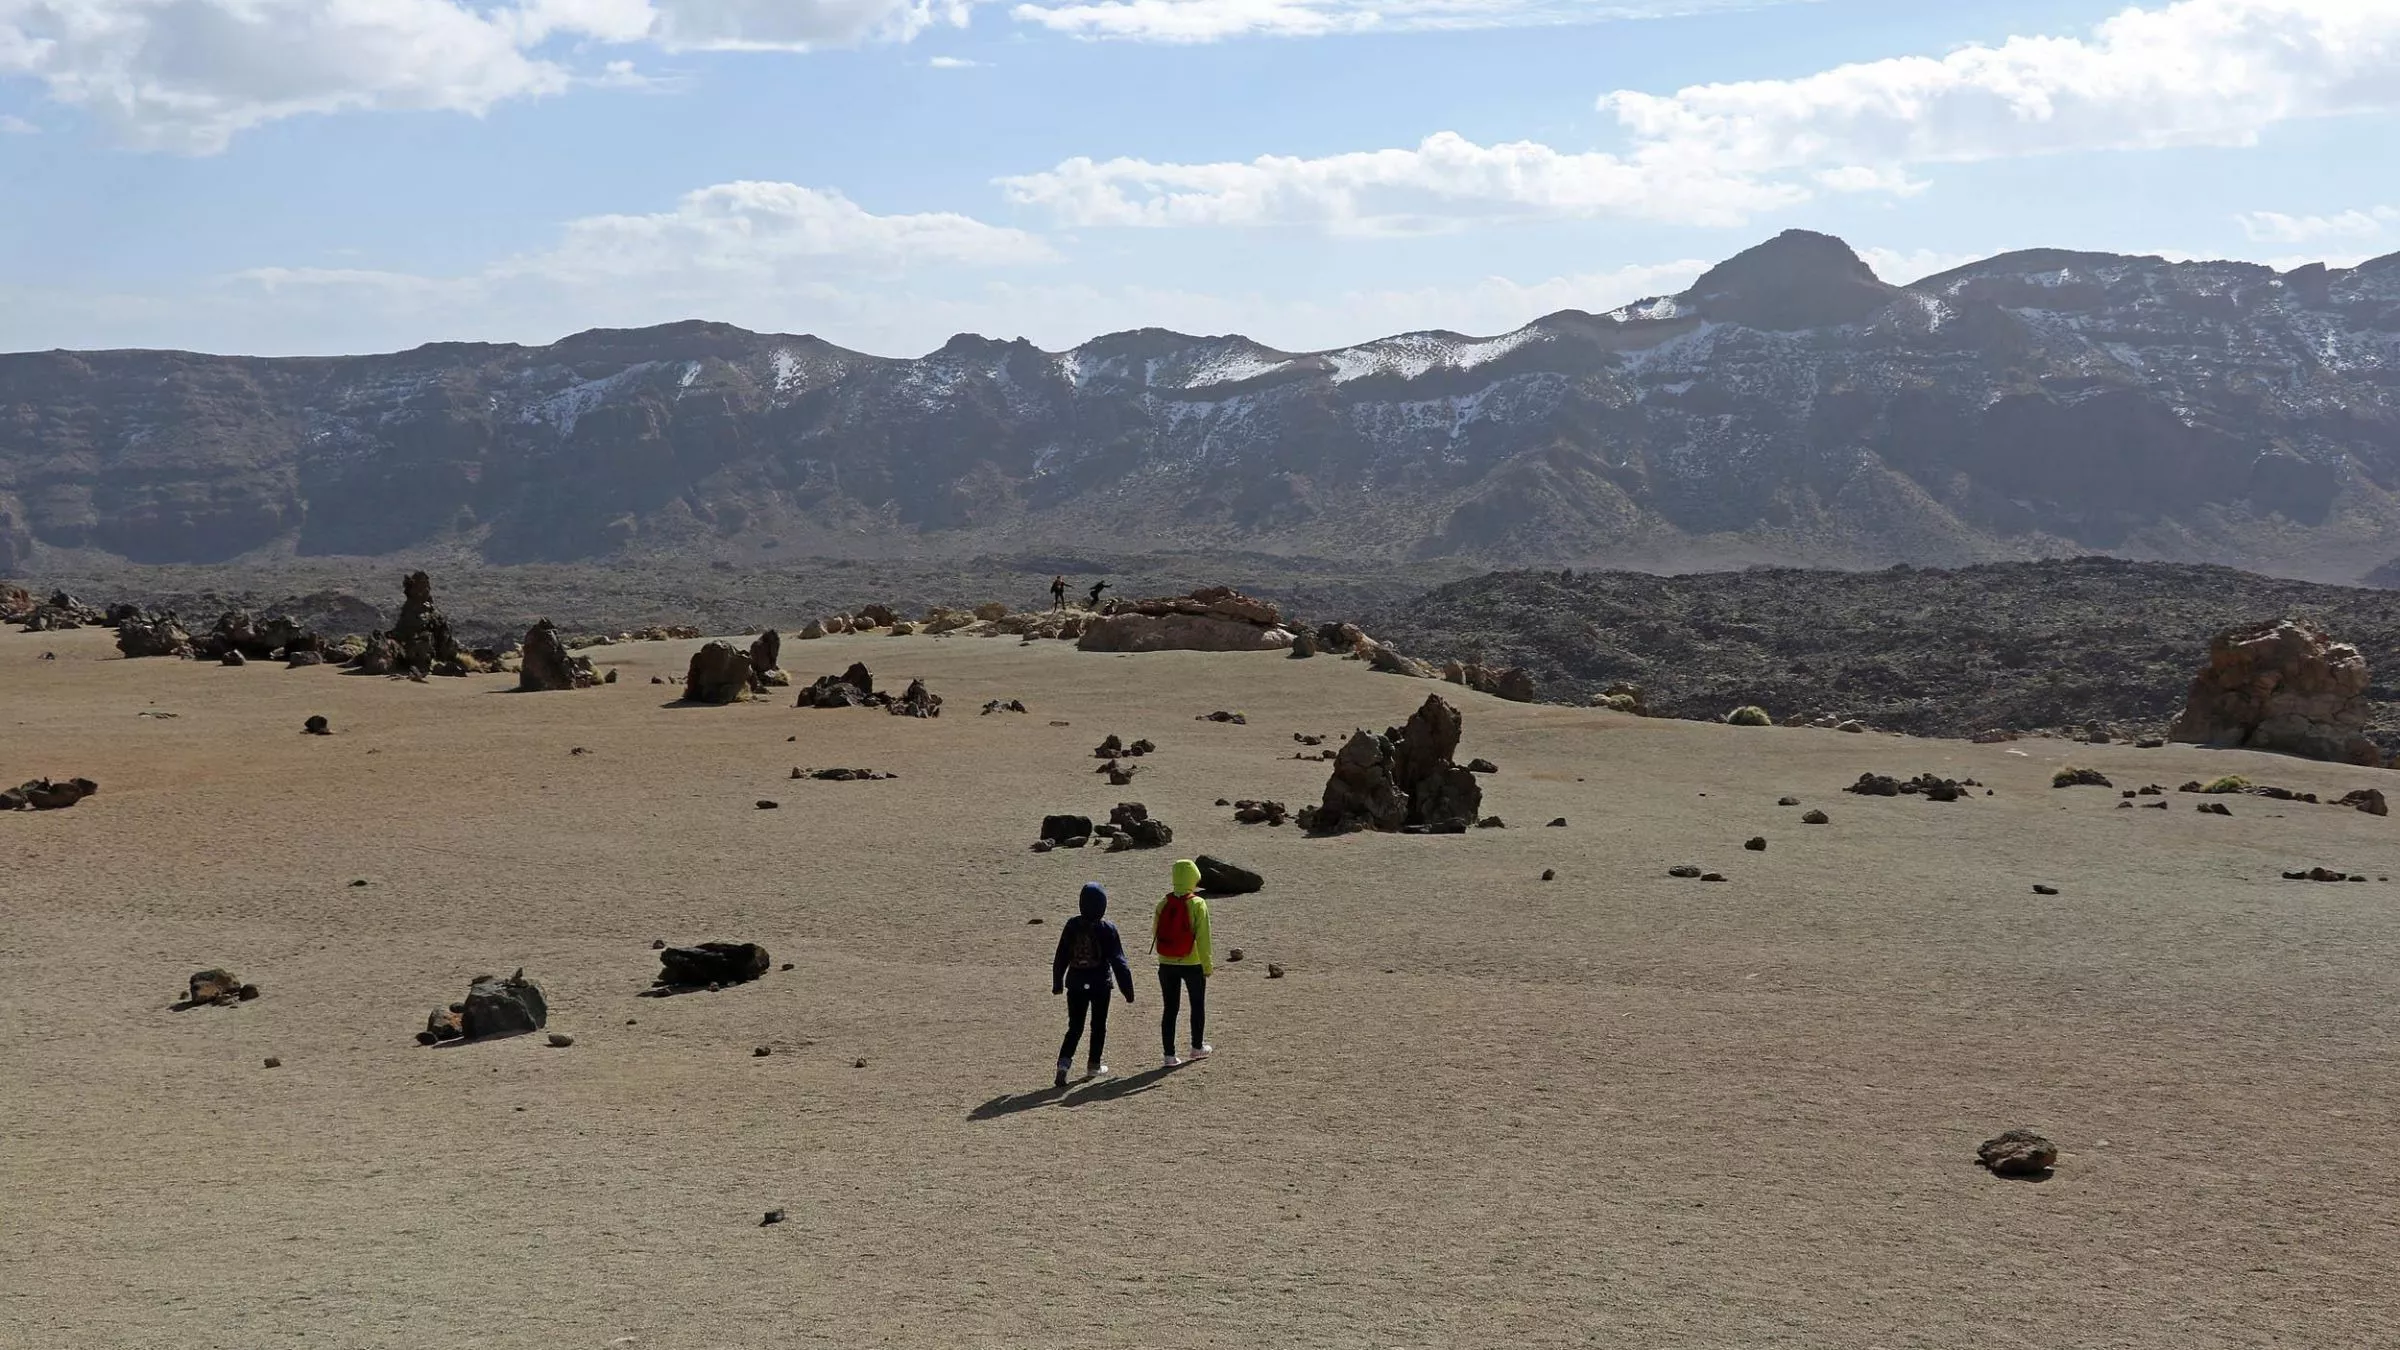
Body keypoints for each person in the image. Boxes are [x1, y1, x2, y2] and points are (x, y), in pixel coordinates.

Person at [1052, 882, 1135, 1087]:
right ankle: (1094, 1065)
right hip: (1100, 985)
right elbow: (1119, 962)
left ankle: (1063, 1065)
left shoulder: (1072, 925)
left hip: (1076, 984)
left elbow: (1061, 956)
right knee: (1098, 1026)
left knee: (1075, 1027)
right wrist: (1128, 990)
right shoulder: (1107, 928)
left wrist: (1058, 983)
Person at [1153, 859, 1214, 1067]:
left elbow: (1156, 932)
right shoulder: (1197, 903)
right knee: (1197, 1005)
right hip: (1192, 962)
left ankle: (1169, 1054)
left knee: (1170, 1008)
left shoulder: (1163, 903)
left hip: (1166, 962)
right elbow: (1203, 939)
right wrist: (1207, 965)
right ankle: (1197, 1047)